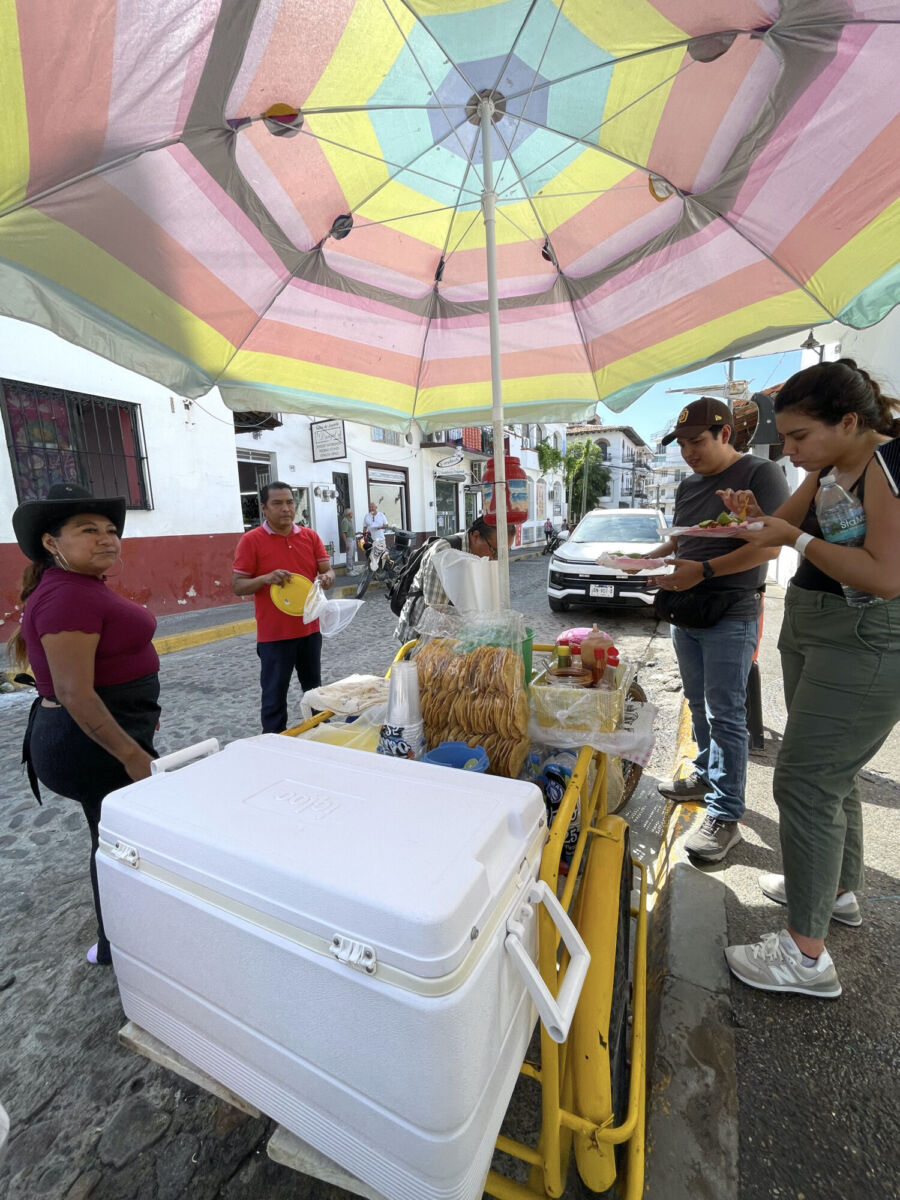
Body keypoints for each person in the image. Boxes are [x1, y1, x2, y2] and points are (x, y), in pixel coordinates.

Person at [715, 359, 900, 998]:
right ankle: (835, 891)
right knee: (830, 774)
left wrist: (793, 537)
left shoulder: (887, 464)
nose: (788, 451)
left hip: (866, 634)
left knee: (806, 779)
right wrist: (750, 516)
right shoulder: (829, 466)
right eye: (786, 438)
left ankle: (805, 957)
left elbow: (886, 576)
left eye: (798, 437)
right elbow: (775, 533)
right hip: (815, 623)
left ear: (848, 421)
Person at [10, 483, 160, 966]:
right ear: (51, 542)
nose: (106, 539)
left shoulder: (79, 586)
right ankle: (118, 944)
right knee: (118, 840)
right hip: (88, 744)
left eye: (111, 530)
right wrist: (132, 755)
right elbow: (74, 692)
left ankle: (123, 937)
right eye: (88, 530)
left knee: (115, 835)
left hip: (105, 733)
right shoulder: (67, 596)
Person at [645, 397, 790, 862]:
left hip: (730, 610)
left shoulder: (759, 474)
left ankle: (726, 815)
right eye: (682, 444)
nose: (688, 452)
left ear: (725, 434)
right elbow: (682, 539)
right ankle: (706, 776)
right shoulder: (688, 484)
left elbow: (770, 548)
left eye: (697, 441)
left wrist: (704, 571)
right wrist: (649, 558)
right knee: (696, 702)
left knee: (726, 713)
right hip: (685, 608)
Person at [232, 482, 335, 733]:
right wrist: (266, 579)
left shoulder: (310, 536)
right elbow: (238, 585)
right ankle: (274, 742)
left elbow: (328, 570)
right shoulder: (251, 540)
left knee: (314, 691)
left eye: (290, 502)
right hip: (274, 635)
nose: (286, 508)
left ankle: (321, 735)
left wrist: (327, 577)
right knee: (274, 696)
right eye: (277, 503)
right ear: (264, 508)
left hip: (310, 630)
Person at [395, 515, 517, 642]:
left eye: (504, 554)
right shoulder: (443, 553)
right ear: (476, 536)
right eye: (495, 551)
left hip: (452, 634)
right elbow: (435, 615)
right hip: (419, 635)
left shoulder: (479, 557)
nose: (496, 559)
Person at [341, 507, 358, 575]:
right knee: (349, 555)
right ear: (348, 514)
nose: (352, 514)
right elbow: (343, 533)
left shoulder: (350, 520)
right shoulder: (345, 521)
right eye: (351, 513)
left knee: (353, 555)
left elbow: (350, 531)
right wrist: (346, 543)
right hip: (349, 539)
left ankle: (352, 569)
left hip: (353, 539)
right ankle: (349, 570)